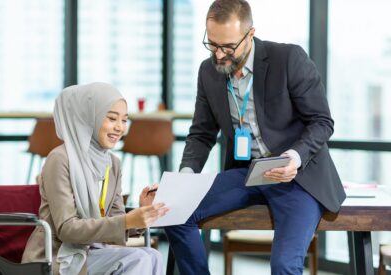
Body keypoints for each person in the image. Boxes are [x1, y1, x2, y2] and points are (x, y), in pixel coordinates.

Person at [164, 0, 346, 274]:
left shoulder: (288, 59)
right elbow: (202, 133)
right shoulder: (208, 71)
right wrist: (185, 178)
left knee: (284, 265)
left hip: (297, 176)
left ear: (250, 34)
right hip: (247, 173)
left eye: (228, 46)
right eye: (212, 44)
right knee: (174, 211)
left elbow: (322, 121)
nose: (219, 55)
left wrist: (294, 158)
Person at [21, 82, 168, 275]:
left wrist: (141, 214)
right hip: (59, 254)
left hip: (95, 250)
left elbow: (115, 222)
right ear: (88, 118)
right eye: (112, 119)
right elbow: (67, 229)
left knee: (154, 255)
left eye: (124, 120)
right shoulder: (59, 159)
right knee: (138, 258)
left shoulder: (112, 163)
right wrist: (127, 221)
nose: (120, 128)